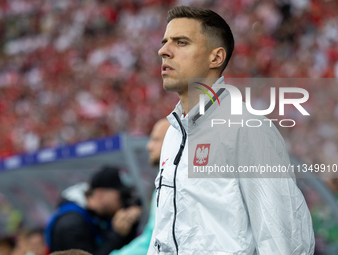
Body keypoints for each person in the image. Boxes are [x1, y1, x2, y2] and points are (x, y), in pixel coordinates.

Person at [148, 6, 315, 255]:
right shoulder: (173, 134)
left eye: (181, 42)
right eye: (164, 42)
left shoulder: (247, 129)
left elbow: (282, 240)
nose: (163, 51)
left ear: (215, 58)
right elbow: (164, 234)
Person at [45, 166, 142, 255]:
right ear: (100, 194)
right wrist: (117, 234)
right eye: (120, 196)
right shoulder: (72, 224)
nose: (122, 202)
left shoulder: (97, 215)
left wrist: (130, 226)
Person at [110, 118, 170, 255]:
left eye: (155, 140)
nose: (148, 146)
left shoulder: (171, 188)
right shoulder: (162, 185)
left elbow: (153, 242)